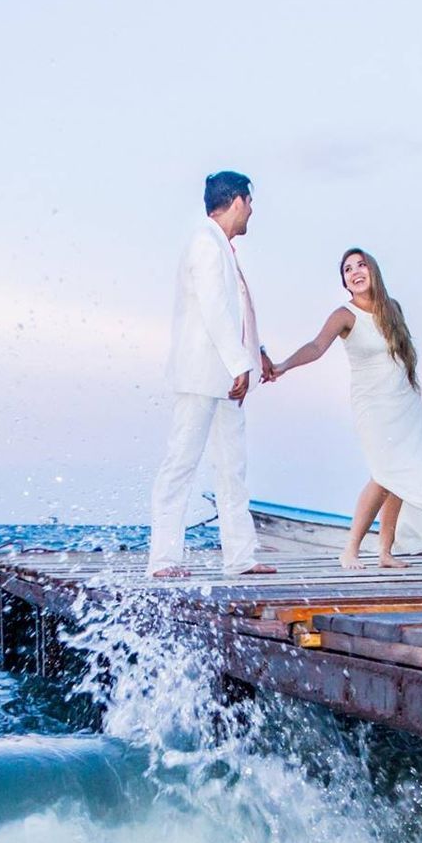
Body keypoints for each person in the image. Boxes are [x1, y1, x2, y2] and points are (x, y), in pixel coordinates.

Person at [265, 247, 422, 568]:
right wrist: (284, 365)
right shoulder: (344, 315)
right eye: (348, 269)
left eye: (361, 265)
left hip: (404, 404)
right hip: (373, 406)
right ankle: (350, 548)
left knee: (400, 475)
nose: (356, 272)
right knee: (384, 473)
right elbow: (317, 347)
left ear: (373, 271)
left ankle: (385, 552)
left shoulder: (393, 309)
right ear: (345, 282)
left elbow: (402, 356)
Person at [146, 171, 279, 579]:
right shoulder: (205, 243)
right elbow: (212, 309)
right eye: (250, 203)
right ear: (238, 201)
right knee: (181, 464)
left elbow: (235, 312)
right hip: (203, 375)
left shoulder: (222, 246)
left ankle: (240, 557)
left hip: (228, 379)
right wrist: (239, 364)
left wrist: (256, 355)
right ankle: (163, 560)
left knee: (232, 470)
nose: (253, 211)